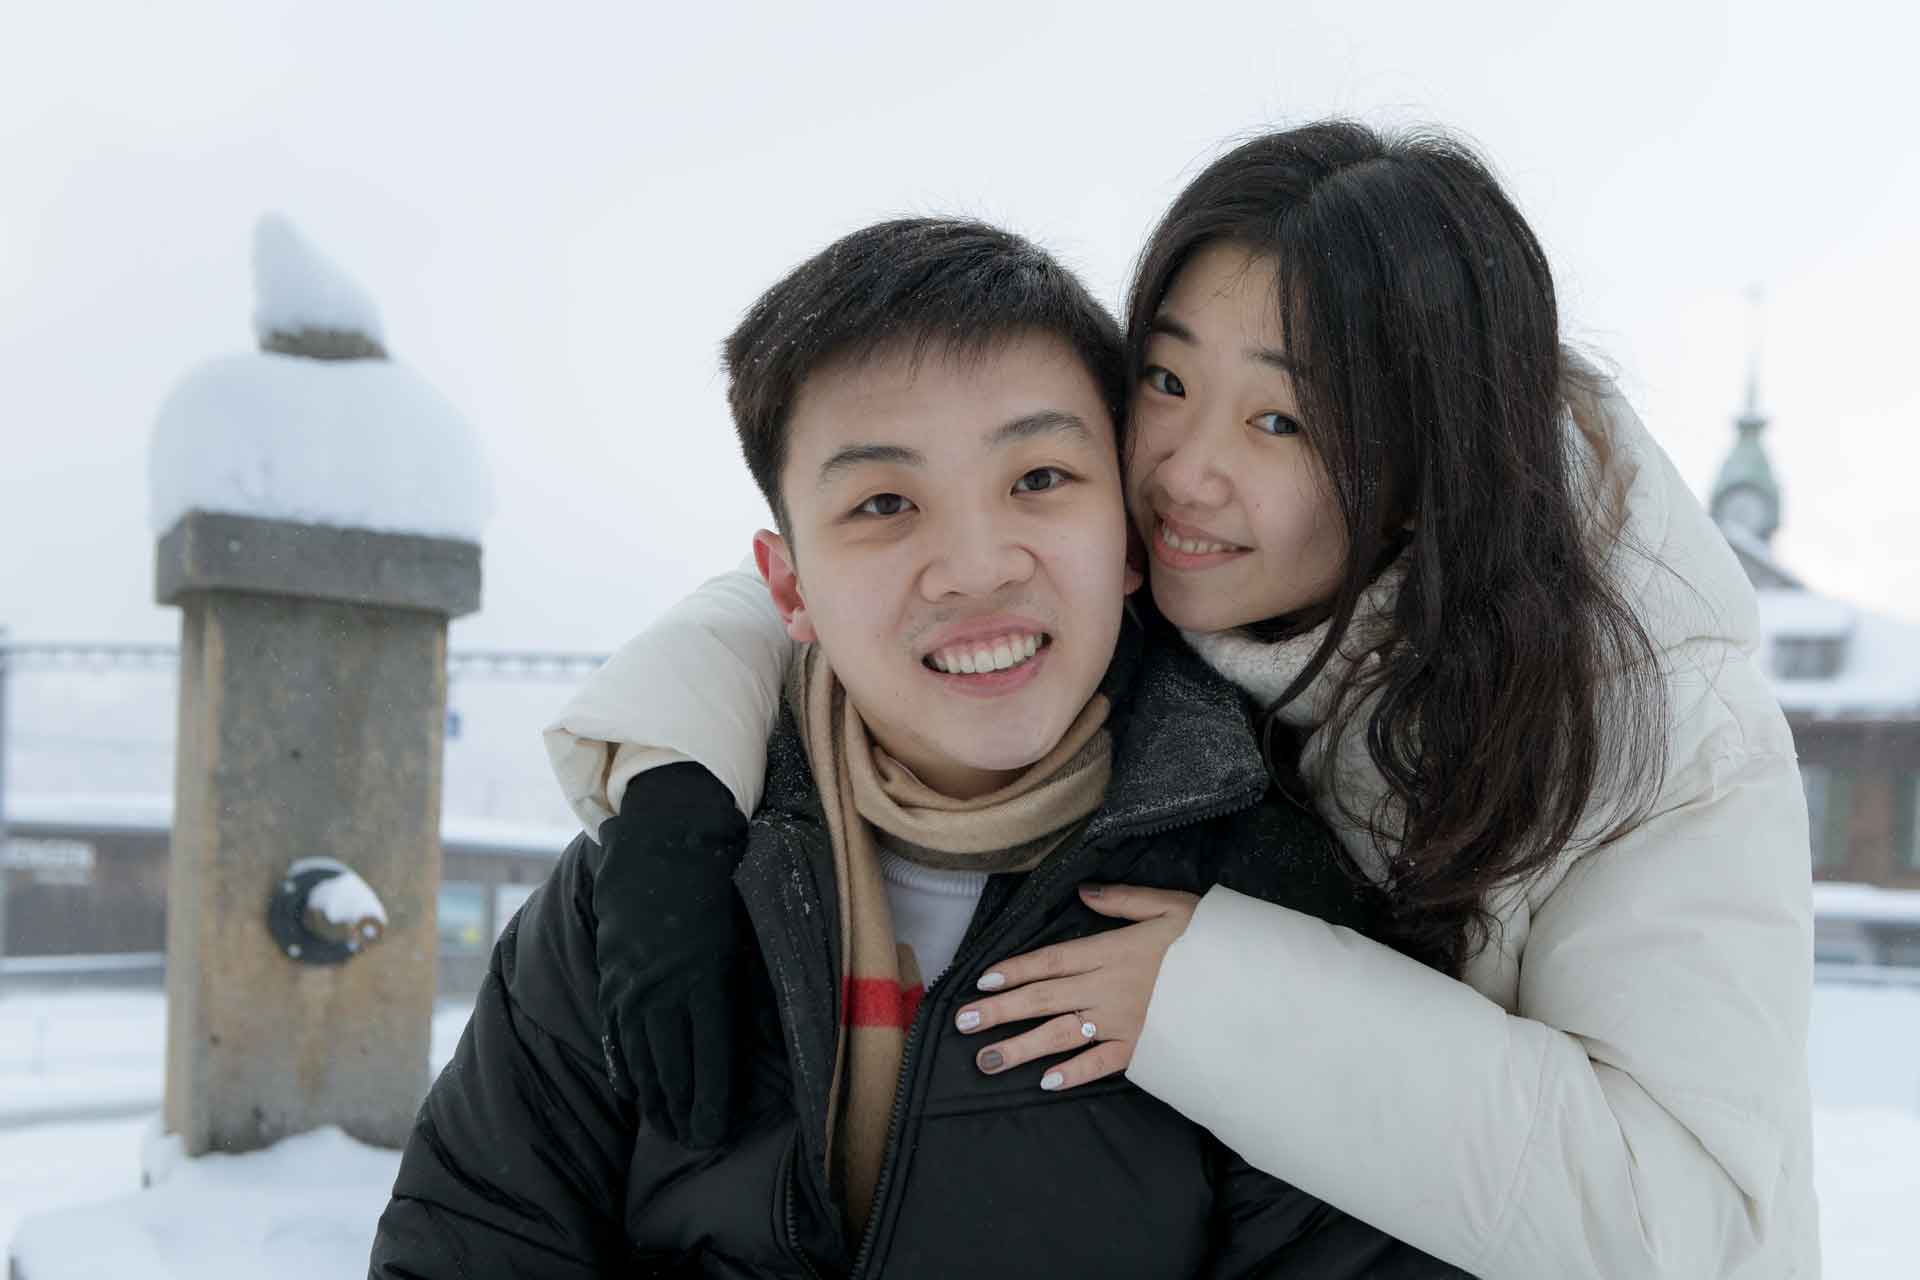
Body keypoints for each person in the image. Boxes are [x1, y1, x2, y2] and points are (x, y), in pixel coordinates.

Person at [550, 123, 1820, 1278]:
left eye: (1282, 418)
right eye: (1164, 382)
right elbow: (858, 568)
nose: (1185, 472)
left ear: (1426, 470)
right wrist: (673, 780)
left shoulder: (1664, 731)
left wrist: (1218, 1001)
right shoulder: (1200, 577)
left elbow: (1688, 1226)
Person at [373, 216, 1463, 1278]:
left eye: (1038, 478)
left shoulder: (1283, 902)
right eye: (885, 502)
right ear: (789, 580)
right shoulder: (637, 893)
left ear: (1128, 534)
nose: (975, 566)